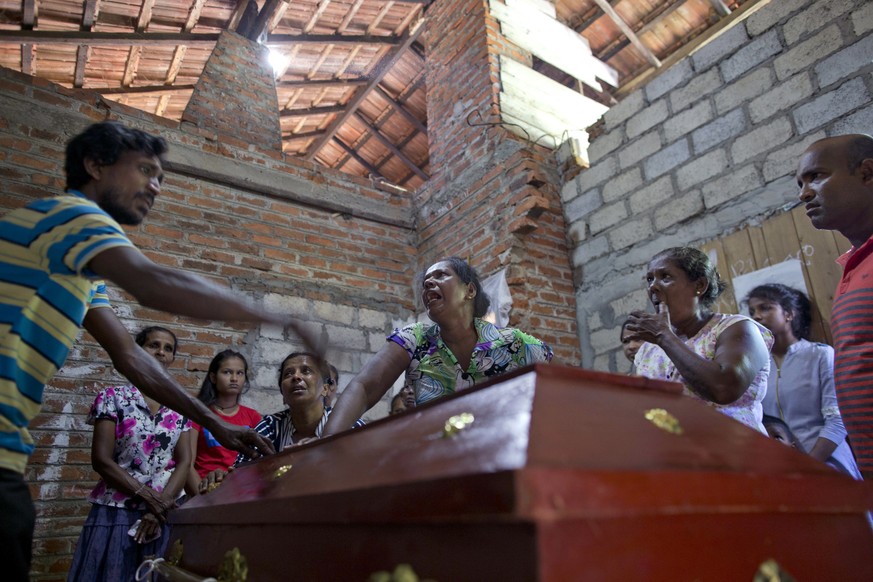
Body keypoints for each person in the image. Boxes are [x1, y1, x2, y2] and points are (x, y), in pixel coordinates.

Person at [0, 121, 315, 579]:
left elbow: (130, 357)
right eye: (145, 170)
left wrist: (210, 421)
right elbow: (153, 283)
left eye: (161, 177)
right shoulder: (73, 216)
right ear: (94, 166)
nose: (155, 187)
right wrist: (278, 316)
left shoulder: (83, 275)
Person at [323, 257, 553, 436]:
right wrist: (324, 445)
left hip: (501, 452)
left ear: (469, 291)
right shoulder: (415, 339)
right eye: (425, 283)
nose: (428, 284)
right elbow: (364, 387)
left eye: (441, 275)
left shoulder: (514, 343)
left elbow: (560, 384)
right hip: (434, 458)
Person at [67, 327, 192, 581]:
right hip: (117, 510)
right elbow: (101, 461)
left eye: (168, 349)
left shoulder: (180, 405)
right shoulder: (113, 397)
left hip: (162, 513)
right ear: (137, 351)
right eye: (153, 345)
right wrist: (150, 498)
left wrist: (161, 505)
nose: (161, 352)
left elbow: (185, 461)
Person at [625, 247, 772, 433]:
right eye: (649, 279)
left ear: (700, 285)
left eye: (666, 277)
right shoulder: (648, 349)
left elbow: (723, 388)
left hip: (736, 452)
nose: (653, 286)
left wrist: (664, 336)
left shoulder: (737, 328)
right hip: (675, 455)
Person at [796, 134, 873, 478]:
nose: (804, 193)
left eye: (817, 176)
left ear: (867, 173)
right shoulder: (853, 266)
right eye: (801, 183)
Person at [200, 353, 365, 492]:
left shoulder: (350, 426)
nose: (296, 377)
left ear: (326, 388)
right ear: (282, 393)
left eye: (306, 371)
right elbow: (239, 475)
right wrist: (222, 478)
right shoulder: (270, 426)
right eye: (288, 374)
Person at [746, 284, 862, 479]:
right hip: (783, 469)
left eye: (765, 308)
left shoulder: (820, 355)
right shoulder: (756, 365)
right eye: (752, 311)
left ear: (789, 314)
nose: (756, 316)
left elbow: (837, 420)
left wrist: (809, 465)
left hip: (828, 461)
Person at [186, 350, 262, 497]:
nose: (234, 378)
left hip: (242, 492)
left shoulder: (253, 417)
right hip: (204, 490)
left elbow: (260, 463)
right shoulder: (199, 414)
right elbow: (187, 464)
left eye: (240, 373)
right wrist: (202, 499)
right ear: (213, 377)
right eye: (227, 372)